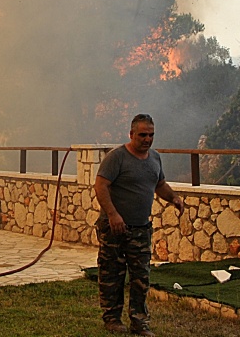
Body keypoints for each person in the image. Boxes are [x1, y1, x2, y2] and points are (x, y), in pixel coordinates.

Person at [94, 114, 184, 337]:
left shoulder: (154, 158)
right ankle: (112, 319)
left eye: (151, 135)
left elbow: (159, 184)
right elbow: (100, 186)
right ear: (131, 134)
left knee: (140, 277)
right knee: (112, 274)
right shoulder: (117, 158)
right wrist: (113, 215)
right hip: (113, 227)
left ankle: (139, 322)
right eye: (143, 135)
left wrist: (173, 198)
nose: (147, 139)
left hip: (140, 229)